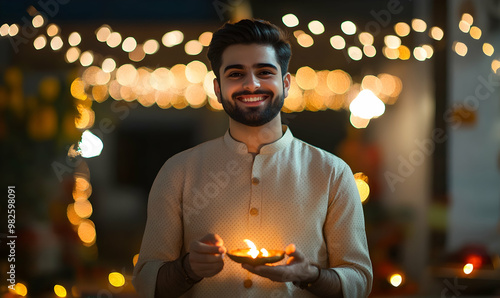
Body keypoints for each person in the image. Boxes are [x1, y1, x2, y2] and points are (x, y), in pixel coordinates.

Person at [132, 19, 372, 297]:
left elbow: (359, 280)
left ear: (286, 83)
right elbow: (146, 282)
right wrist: (188, 268)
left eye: (264, 72)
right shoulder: (178, 171)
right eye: (235, 74)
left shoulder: (332, 172)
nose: (251, 84)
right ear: (218, 88)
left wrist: (311, 275)